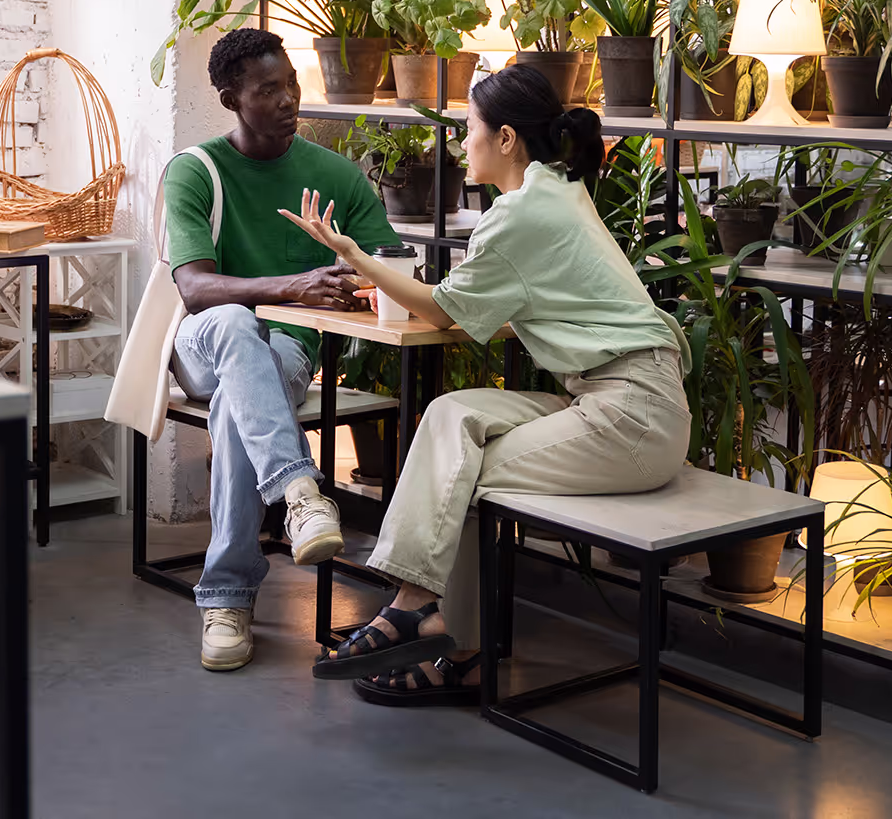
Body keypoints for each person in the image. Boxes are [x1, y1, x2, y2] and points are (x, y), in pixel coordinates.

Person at [280, 64, 691, 705]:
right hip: (614, 397)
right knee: (451, 416)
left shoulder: (521, 214)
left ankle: (442, 631)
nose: (459, 144)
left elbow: (441, 312)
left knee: (460, 473)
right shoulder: (555, 187)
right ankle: (428, 615)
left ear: (504, 139)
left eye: (468, 130)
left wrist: (355, 257)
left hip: (633, 417)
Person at [165, 28, 401, 672]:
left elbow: (384, 265)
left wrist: (350, 279)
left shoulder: (334, 177)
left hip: (285, 358)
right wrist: (293, 287)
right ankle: (298, 493)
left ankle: (229, 596)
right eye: (268, 91)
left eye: (292, 84)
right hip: (200, 348)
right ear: (229, 99)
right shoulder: (195, 171)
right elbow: (193, 286)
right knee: (235, 324)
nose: (289, 100)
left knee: (246, 394)